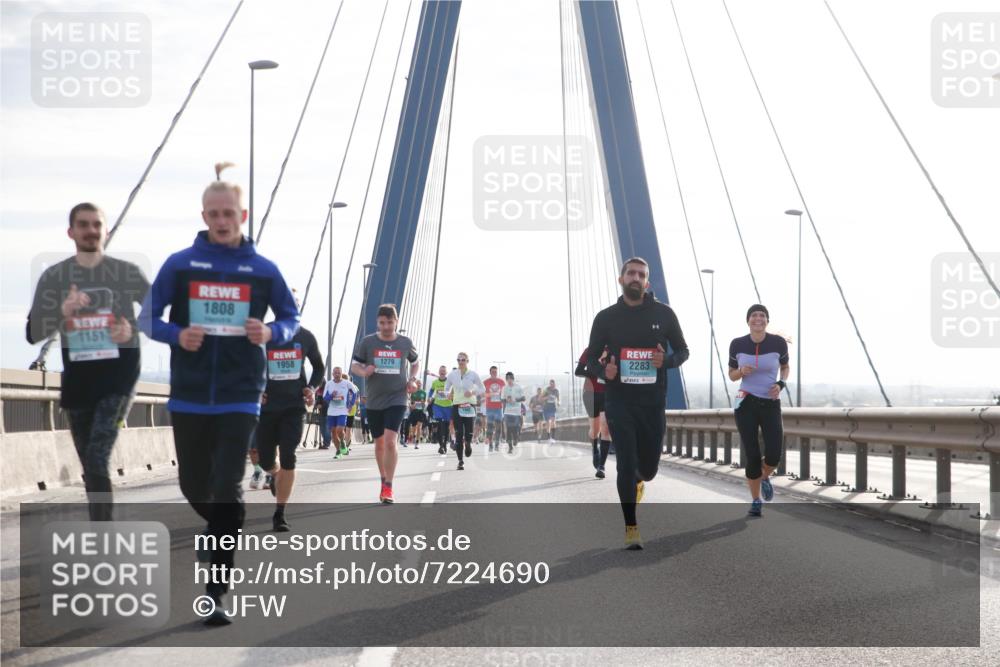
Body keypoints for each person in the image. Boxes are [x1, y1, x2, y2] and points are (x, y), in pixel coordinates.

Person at [140, 162, 299, 623]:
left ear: (242, 216)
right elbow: (148, 317)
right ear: (204, 216)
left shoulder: (262, 270)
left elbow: (291, 319)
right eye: (214, 213)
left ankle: (216, 593)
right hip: (189, 394)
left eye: (229, 212)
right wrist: (176, 335)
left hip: (241, 393)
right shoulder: (181, 264)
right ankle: (217, 530)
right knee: (193, 485)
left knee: (228, 487)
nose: (222, 220)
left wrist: (270, 332)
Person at [26, 202, 150, 521]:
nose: (91, 230)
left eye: (97, 224)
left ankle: (102, 535)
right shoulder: (56, 277)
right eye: (84, 224)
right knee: (90, 466)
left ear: (106, 230)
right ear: (71, 232)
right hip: (79, 383)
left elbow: (158, 313)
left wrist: (132, 329)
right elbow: (32, 333)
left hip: (119, 380)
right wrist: (62, 311)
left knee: (96, 458)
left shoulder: (126, 273)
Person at [585, 256, 688, 550]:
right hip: (619, 401)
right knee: (626, 464)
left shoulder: (664, 314)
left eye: (641, 274)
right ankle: (631, 527)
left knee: (649, 470)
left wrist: (665, 361)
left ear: (647, 282)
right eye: (631, 273)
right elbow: (590, 360)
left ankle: (639, 482)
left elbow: (683, 351)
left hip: (652, 403)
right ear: (621, 279)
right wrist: (603, 371)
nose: (636, 278)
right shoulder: (606, 318)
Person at [351, 304, 420, 504]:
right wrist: (364, 372)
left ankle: (389, 486)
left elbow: (415, 362)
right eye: (382, 323)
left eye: (390, 322)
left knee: (390, 441)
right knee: (379, 443)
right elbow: (354, 365)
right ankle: (383, 479)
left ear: (396, 321)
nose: (386, 326)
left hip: (397, 398)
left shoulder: (405, 342)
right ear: (377, 323)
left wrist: (412, 379)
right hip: (374, 400)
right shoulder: (368, 342)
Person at [258, 322, 324, 531]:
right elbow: (243, 364)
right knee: (265, 460)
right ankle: (275, 474)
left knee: (288, 455)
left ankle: (280, 513)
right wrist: (255, 388)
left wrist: (311, 388)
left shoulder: (306, 336)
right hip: (266, 409)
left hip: (294, 408)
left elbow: (319, 367)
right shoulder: (263, 333)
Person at [728, 304, 789, 517]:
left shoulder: (778, 343)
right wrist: (741, 371)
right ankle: (756, 501)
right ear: (748, 320)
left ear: (767, 321)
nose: (758, 318)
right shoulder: (737, 344)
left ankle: (763, 477)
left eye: (762, 315)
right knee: (752, 455)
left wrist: (781, 384)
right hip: (746, 403)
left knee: (774, 454)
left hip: (770, 403)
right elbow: (731, 375)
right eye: (754, 315)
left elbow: (785, 367)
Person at [576, 347, 612, 479]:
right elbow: (578, 371)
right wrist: (595, 372)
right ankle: (594, 448)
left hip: (608, 393)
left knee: (606, 428)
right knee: (595, 430)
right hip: (590, 393)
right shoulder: (590, 350)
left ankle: (601, 466)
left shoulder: (615, 349)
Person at [444, 353, 484, 470]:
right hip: (457, 405)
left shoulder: (473, 374)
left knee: (468, 432)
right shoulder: (452, 375)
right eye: (459, 360)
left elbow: (482, 388)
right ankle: (460, 461)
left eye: (463, 360)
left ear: (467, 361)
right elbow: (446, 388)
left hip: (469, 405)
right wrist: (448, 394)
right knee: (459, 433)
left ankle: (468, 444)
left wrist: (472, 392)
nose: (461, 362)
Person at [323, 367, 357, 460]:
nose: (337, 374)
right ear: (332, 374)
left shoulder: (347, 383)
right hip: (331, 411)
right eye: (335, 373)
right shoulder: (329, 384)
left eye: (339, 373)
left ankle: (342, 441)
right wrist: (331, 396)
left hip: (342, 410)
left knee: (339, 429)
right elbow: (325, 398)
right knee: (333, 432)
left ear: (341, 374)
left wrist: (351, 404)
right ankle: (338, 451)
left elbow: (354, 393)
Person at [428, 366, 452, 455]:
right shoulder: (435, 382)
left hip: (448, 406)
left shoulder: (450, 382)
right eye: (441, 371)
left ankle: (445, 444)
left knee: (446, 427)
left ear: (446, 372)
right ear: (439, 372)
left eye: (444, 371)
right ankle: (441, 445)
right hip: (437, 406)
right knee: (440, 424)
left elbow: (454, 391)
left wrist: (452, 396)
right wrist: (429, 398)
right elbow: (431, 391)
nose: (442, 372)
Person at [501, 372, 526, 453]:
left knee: (515, 428)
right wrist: (506, 400)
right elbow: (502, 399)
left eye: (510, 379)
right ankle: (510, 447)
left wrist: (515, 400)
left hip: (516, 411)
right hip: (507, 411)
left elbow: (524, 398)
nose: (509, 380)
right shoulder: (504, 388)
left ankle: (516, 438)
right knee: (508, 429)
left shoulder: (518, 387)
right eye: (507, 379)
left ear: (513, 379)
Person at [483, 366, 506, 452]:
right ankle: (490, 445)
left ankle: (497, 444)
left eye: (495, 372)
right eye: (493, 372)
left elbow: (505, 393)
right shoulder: (485, 382)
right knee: (490, 427)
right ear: (490, 372)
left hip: (499, 408)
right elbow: (483, 394)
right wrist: (490, 394)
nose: (494, 373)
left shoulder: (501, 382)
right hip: (489, 407)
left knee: (498, 427)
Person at [407, 383, 429, 448]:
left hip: (421, 412)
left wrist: (423, 403)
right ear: (416, 385)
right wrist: (412, 405)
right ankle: (414, 437)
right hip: (414, 412)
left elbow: (425, 402)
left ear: (421, 384)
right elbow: (410, 401)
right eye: (418, 383)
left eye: (420, 384)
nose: (419, 385)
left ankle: (417, 442)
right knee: (414, 428)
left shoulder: (423, 393)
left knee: (419, 427)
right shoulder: (413, 392)